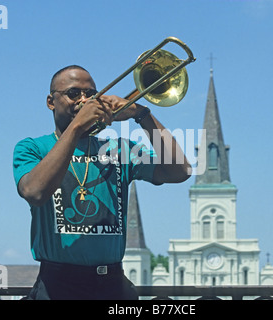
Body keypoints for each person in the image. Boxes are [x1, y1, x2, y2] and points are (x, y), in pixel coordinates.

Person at [13, 65, 191, 300]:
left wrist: (142, 115)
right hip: (58, 285)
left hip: (112, 284)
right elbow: (35, 192)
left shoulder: (117, 149)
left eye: (91, 94)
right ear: (50, 101)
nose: (84, 100)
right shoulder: (32, 148)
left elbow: (180, 171)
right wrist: (77, 126)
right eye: (73, 93)